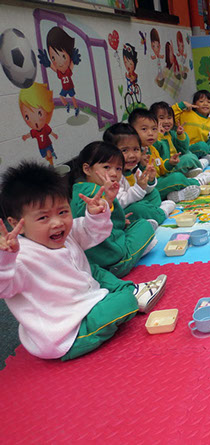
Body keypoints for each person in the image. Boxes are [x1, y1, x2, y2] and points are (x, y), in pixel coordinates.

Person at [0, 161, 167, 360]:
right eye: (43, 218)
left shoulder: (66, 234)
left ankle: (131, 290)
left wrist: (96, 214)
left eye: (63, 212)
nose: (57, 223)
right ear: (15, 224)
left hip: (85, 297)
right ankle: (130, 296)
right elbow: (4, 287)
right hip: (65, 333)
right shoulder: (20, 257)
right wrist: (5, 259)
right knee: (125, 302)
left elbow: (92, 232)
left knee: (93, 269)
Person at [67, 141, 156, 278]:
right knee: (145, 226)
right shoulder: (95, 191)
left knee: (139, 219)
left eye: (118, 169)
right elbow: (91, 220)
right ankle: (135, 253)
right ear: (87, 169)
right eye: (107, 167)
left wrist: (119, 220)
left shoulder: (78, 189)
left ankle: (139, 246)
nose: (114, 173)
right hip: (114, 261)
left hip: (93, 261)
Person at [103, 122, 176, 227]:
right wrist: (139, 188)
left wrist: (149, 181)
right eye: (124, 150)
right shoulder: (113, 175)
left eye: (136, 149)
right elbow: (120, 202)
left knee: (154, 193)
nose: (132, 155)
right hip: (123, 211)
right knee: (137, 209)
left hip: (137, 202)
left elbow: (145, 191)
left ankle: (150, 214)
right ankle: (161, 213)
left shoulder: (134, 169)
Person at [129, 109, 210, 202]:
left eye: (154, 129)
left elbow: (161, 167)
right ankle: (196, 182)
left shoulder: (152, 148)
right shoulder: (134, 153)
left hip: (158, 181)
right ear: (132, 131)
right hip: (148, 189)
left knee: (177, 174)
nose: (150, 133)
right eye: (144, 129)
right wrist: (142, 165)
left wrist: (170, 163)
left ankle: (177, 194)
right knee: (176, 178)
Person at [149, 101, 203, 177]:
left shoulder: (171, 133)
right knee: (189, 158)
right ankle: (197, 169)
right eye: (161, 118)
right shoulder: (152, 137)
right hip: (168, 168)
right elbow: (157, 150)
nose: (166, 121)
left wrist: (180, 135)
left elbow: (184, 149)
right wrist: (159, 135)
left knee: (190, 153)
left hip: (176, 161)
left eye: (169, 118)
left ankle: (194, 168)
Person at [172, 90, 210, 160]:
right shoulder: (186, 114)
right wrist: (182, 104)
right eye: (201, 101)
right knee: (202, 146)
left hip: (202, 147)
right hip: (186, 148)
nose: (205, 104)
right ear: (194, 104)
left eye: (209, 102)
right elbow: (171, 113)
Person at [37, 26, 80, 116]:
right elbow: (53, 67)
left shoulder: (67, 71)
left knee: (72, 97)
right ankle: (67, 105)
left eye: (63, 56)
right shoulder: (60, 72)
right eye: (53, 58)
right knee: (61, 97)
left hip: (70, 87)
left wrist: (74, 60)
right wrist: (48, 63)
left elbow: (71, 64)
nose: (59, 63)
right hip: (64, 88)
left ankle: (76, 108)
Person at [19, 83, 59, 165]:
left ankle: (51, 162)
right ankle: (51, 156)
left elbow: (50, 131)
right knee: (45, 156)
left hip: (48, 144)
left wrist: (54, 135)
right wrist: (25, 136)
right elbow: (30, 134)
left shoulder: (45, 127)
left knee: (49, 154)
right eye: (27, 117)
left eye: (39, 113)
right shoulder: (34, 131)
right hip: (41, 147)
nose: (35, 121)